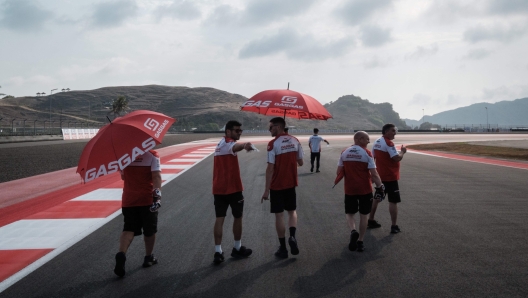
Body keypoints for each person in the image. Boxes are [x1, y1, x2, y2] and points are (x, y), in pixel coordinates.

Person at [114, 150, 162, 277]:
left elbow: (123, 177)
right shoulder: (153, 155)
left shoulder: (123, 156)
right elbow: (156, 176)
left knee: (129, 228)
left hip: (129, 199)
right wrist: (157, 197)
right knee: (149, 229)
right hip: (147, 199)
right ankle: (148, 257)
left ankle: (121, 254)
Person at [212, 120, 254, 264]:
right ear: (228, 131)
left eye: (240, 131)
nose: (239, 133)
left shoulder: (220, 144)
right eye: (237, 130)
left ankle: (218, 251)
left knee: (220, 218)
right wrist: (245, 145)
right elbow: (236, 147)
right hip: (233, 189)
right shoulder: (229, 144)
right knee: (238, 217)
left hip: (218, 188)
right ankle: (237, 248)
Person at [261, 117, 304, 258]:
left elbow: (270, 168)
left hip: (276, 185)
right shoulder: (295, 140)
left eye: (271, 127)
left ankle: (283, 248)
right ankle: (293, 236)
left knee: (279, 215)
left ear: (279, 127)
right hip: (291, 183)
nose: (269, 130)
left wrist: (266, 190)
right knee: (292, 212)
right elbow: (301, 162)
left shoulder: (273, 144)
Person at [337, 131, 384, 252]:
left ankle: (353, 231)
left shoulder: (344, 152)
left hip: (349, 188)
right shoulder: (367, 153)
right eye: (367, 139)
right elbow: (374, 174)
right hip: (365, 189)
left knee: (350, 213)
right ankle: (361, 241)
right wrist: (380, 187)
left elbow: (339, 172)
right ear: (359, 139)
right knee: (364, 216)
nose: (368, 142)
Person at [369, 124, 407, 234]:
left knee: (377, 198)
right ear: (386, 131)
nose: (395, 133)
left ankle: (370, 220)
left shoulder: (377, 141)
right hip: (390, 177)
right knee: (393, 201)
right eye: (393, 131)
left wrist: (373, 174)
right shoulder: (389, 143)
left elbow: (372, 157)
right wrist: (402, 151)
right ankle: (394, 226)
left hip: (380, 176)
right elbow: (396, 158)